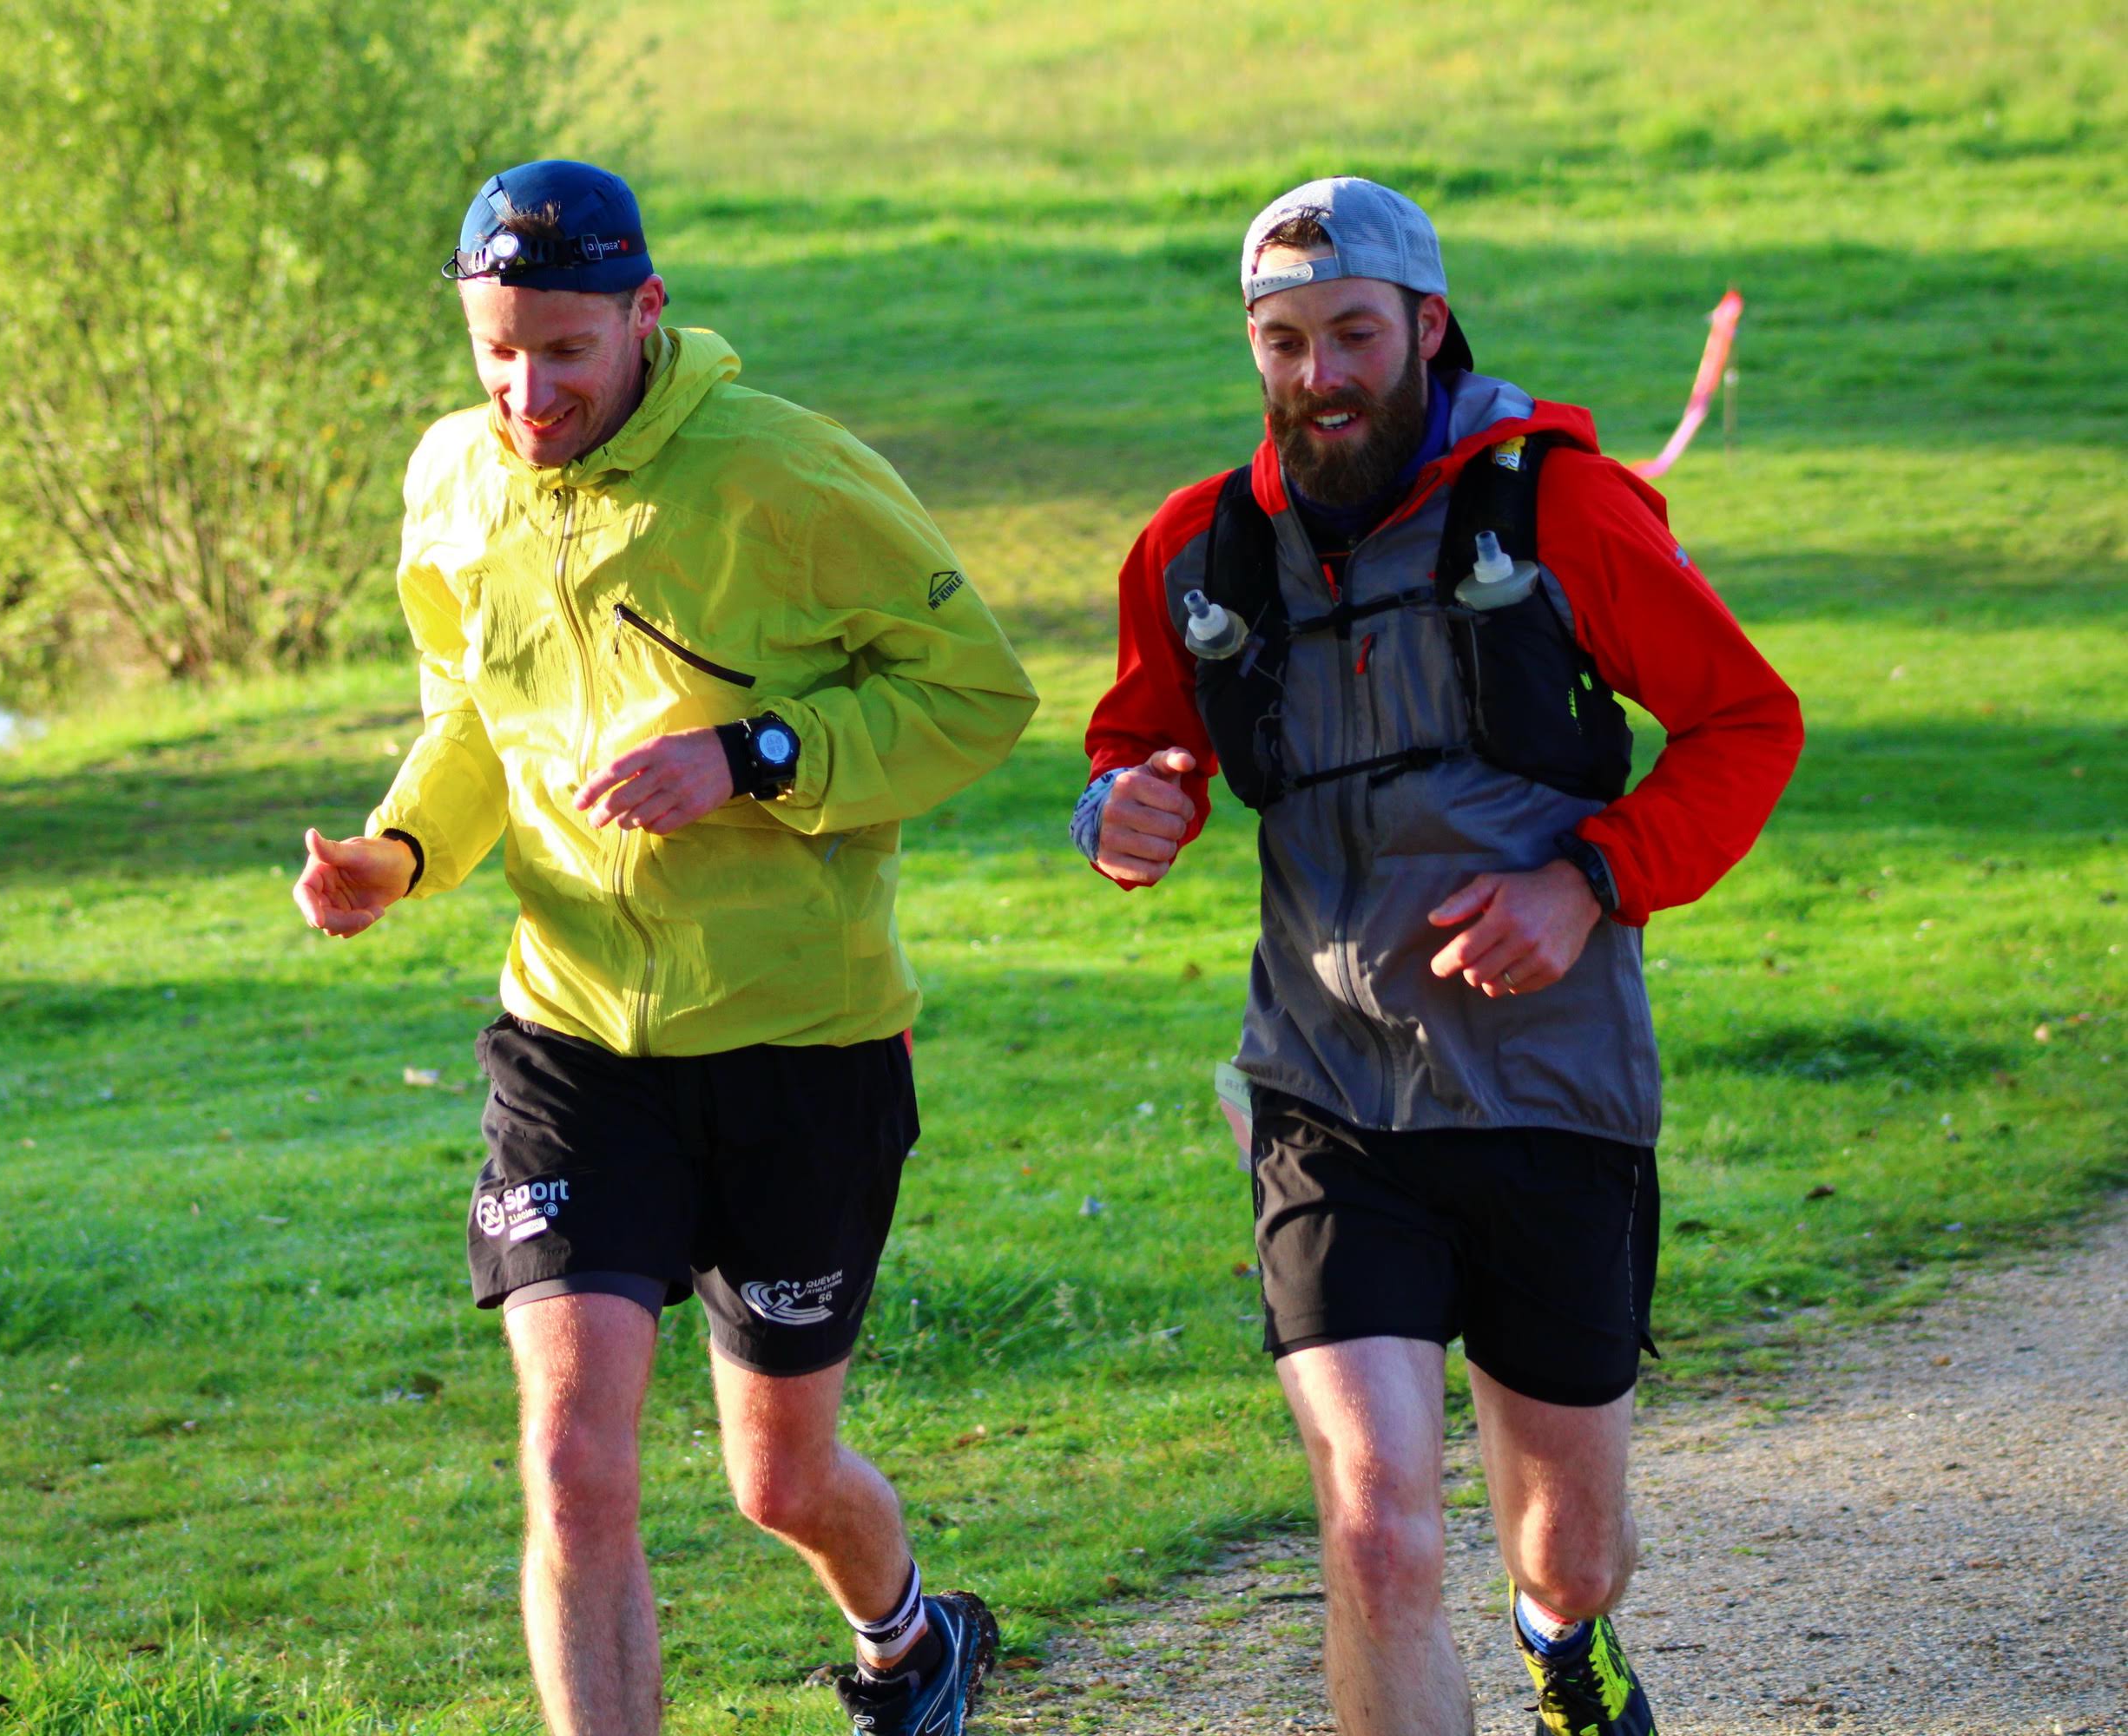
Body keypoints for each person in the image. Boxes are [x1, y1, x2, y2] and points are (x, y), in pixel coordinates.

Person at [292, 160, 1035, 1736]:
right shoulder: (454, 477)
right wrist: (399, 850)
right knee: (573, 1462)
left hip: (798, 1041)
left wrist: (756, 757)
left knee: (779, 1480)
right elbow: (475, 716)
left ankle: (912, 1640)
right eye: (497, 352)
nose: (526, 392)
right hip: (572, 1041)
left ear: (646, 313)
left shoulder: (787, 474)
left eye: (564, 351)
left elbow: (977, 694)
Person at [1072, 177, 1803, 1736]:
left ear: (1428, 325)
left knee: (1571, 1550)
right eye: (1284, 342)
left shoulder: (1560, 511)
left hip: (1548, 1087)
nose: (1319, 376)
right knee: (1378, 1531)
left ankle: (1563, 1638)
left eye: (1353, 334)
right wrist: (1121, 807)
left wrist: (1590, 882)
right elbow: (1138, 739)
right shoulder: (1199, 549)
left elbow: (1749, 722)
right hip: (1326, 1092)